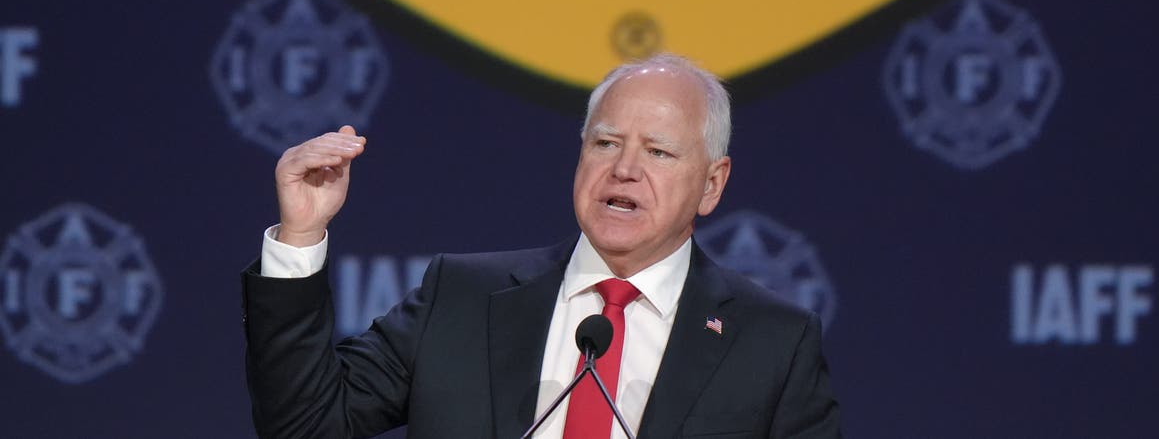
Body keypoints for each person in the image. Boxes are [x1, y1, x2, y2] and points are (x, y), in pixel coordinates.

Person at [242, 53, 842, 438]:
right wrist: (301, 234)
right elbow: (304, 424)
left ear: (712, 184)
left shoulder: (771, 343)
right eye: (606, 143)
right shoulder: (464, 298)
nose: (624, 170)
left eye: (658, 152)